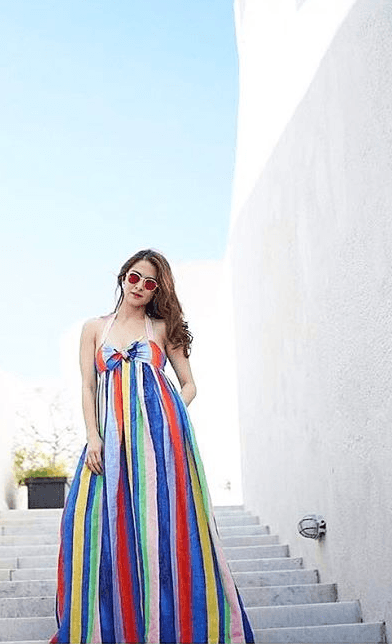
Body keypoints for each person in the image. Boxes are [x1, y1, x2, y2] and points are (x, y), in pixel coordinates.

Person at [50, 249, 255, 644]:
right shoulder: (94, 328)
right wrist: (93, 436)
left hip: (159, 441)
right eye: (134, 277)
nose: (140, 287)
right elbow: (88, 386)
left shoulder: (162, 328)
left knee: (161, 525)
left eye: (149, 283)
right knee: (88, 521)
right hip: (109, 440)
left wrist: (167, 416)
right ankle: (110, 625)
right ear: (122, 277)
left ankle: (173, 623)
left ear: (157, 290)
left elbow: (189, 384)